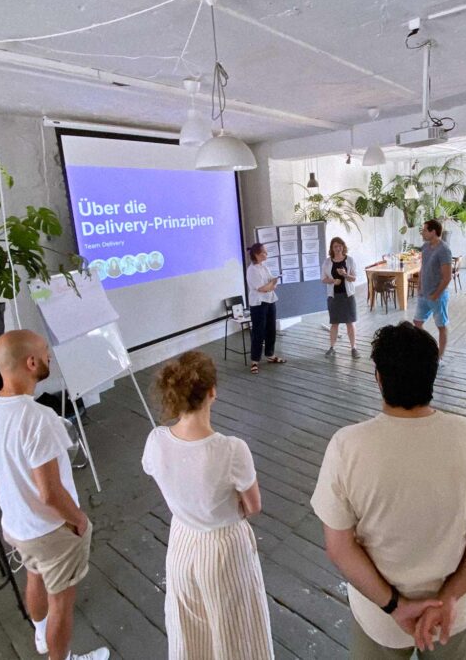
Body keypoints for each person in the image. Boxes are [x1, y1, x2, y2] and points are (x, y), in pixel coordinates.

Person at [311, 322, 466, 659]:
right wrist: (449, 597)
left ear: (379, 378)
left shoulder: (347, 447)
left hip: (381, 617)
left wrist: (395, 606)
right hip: (453, 614)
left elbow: (339, 546)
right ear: (432, 375)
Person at [0, 330, 108, 660]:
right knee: (62, 602)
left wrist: (19, 500)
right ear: (31, 362)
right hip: (52, 531)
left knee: (34, 575)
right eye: (45, 352)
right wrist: (79, 520)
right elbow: (50, 493)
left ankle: (40, 636)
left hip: (17, 527)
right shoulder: (40, 419)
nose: (49, 356)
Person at [142, 351, 274, 660]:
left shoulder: (156, 440)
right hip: (223, 547)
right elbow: (253, 506)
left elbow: (162, 474)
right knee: (235, 632)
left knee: (190, 630)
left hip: (182, 542)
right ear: (212, 392)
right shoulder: (230, 450)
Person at [414, 219, 453, 365]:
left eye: (424, 230)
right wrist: (419, 284)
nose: (422, 233)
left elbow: (447, 276)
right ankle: (428, 348)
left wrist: (436, 294)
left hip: (437, 296)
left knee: (441, 326)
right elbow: (423, 268)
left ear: (433, 232)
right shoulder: (425, 247)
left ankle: (439, 357)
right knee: (417, 323)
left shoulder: (444, 250)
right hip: (423, 294)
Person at [246, 242, 287, 375]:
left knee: (271, 329)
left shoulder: (264, 267)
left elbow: (270, 283)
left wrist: (273, 282)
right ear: (257, 255)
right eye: (263, 252)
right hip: (258, 304)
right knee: (259, 332)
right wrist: (271, 284)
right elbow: (263, 288)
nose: (266, 254)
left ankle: (270, 354)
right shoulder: (252, 270)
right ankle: (254, 361)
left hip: (269, 301)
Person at [321, 236, 360, 359]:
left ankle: (354, 348)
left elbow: (354, 278)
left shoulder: (350, 260)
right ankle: (332, 347)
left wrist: (345, 274)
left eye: (340, 246)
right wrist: (333, 280)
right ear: (331, 248)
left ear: (343, 246)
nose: (338, 248)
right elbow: (323, 279)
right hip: (334, 297)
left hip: (348, 296)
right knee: (334, 323)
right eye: (335, 246)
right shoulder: (327, 262)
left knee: (350, 322)